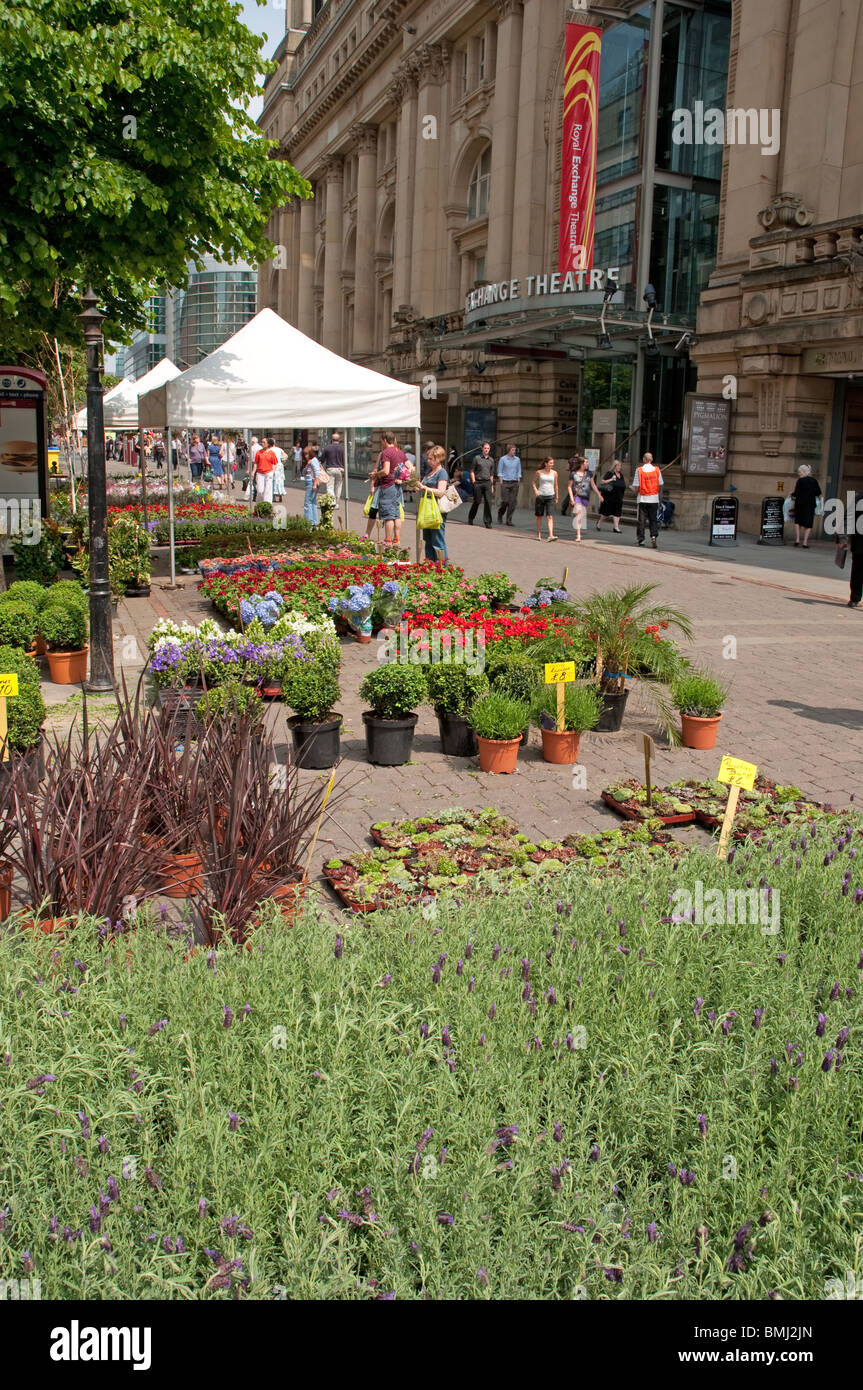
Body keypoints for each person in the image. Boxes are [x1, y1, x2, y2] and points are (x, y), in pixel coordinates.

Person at [420, 445, 449, 563]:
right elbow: (423, 485)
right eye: (428, 458)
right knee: (427, 538)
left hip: (436, 509)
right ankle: (430, 563)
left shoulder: (442, 473)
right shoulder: (430, 471)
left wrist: (425, 488)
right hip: (426, 508)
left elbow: (441, 492)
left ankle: (443, 566)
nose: (428, 461)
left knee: (437, 539)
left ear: (438, 459)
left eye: (431, 458)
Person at [835, 490, 863, 608]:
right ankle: (855, 598)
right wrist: (842, 538)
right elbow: (848, 518)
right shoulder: (859, 498)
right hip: (860, 542)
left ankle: (855, 598)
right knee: (857, 571)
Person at [632, 452, 664, 548]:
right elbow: (660, 483)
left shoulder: (639, 470)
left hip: (643, 498)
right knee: (653, 519)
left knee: (641, 520)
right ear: (651, 459)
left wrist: (635, 492)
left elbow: (637, 486)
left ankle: (641, 539)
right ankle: (653, 536)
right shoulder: (657, 470)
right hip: (654, 498)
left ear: (644, 460)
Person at [568, 458, 601, 542]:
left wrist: (599, 494)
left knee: (582, 515)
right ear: (582, 464)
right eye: (586, 462)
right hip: (577, 496)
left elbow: (593, 485)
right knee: (579, 513)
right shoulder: (573, 474)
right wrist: (572, 498)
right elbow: (569, 486)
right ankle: (578, 535)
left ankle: (578, 529)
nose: (588, 464)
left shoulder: (589, 474)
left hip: (586, 497)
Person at [790, 463, 822, 548]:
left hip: (800, 504)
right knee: (808, 523)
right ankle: (805, 542)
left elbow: (796, 493)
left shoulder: (800, 481)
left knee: (798, 522)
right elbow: (818, 492)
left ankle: (797, 540)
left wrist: (791, 494)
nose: (799, 473)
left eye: (800, 472)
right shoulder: (814, 481)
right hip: (810, 505)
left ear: (804, 472)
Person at [468, 441, 495, 528]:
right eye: (485, 448)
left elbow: (491, 474)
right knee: (477, 501)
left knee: (488, 502)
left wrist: (492, 485)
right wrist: (474, 482)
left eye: (488, 448)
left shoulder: (491, 460)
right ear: (482, 449)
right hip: (478, 482)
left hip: (487, 482)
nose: (486, 450)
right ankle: (471, 518)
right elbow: (472, 470)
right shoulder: (477, 458)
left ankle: (488, 522)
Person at [596, 459, 626, 534]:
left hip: (618, 497)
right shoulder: (610, 473)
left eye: (620, 466)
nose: (620, 467)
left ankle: (616, 527)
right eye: (618, 465)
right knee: (606, 513)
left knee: (617, 512)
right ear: (614, 466)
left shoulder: (621, 475)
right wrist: (611, 479)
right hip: (609, 497)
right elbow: (602, 481)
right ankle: (599, 523)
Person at [534, 457, 560, 542]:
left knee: (550, 516)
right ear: (546, 463)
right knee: (539, 516)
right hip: (541, 495)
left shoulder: (554, 473)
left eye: (553, 463)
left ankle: (551, 535)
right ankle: (538, 534)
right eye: (550, 463)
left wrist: (557, 496)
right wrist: (536, 490)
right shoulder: (539, 472)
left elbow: (556, 485)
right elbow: (533, 482)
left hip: (550, 495)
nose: (552, 465)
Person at [497, 444, 522, 525]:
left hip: (514, 483)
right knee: (505, 501)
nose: (514, 451)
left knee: (512, 502)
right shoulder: (503, 459)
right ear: (509, 450)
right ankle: (500, 514)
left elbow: (519, 470)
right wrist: (501, 481)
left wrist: (518, 479)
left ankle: (509, 520)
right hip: (505, 482)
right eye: (513, 450)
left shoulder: (517, 459)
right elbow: (500, 471)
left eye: (515, 450)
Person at [319, 432, 345, 505]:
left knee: (330, 487)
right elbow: (345, 459)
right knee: (338, 486)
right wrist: (344, 468)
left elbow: (322, 459)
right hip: (340, 469)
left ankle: (332, 502)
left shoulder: (327, 447)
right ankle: (336, 503)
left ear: (332, 439)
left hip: (330, 469)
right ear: (339, 439)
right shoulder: (342, 448)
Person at [301, 444, 323, 523]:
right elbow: (303, 473)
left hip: (312, 482)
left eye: (307, 454)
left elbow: (317, 473)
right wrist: (307, 465)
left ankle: (308, 521)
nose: (306, 456)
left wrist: (314, 484)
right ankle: (314, 521)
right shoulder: (310, 461)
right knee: (313, 502)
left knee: (307, 503)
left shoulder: (313, 460)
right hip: (311, 482)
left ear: (311, 453)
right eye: (304, 454)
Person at [254, 436, 277, 504]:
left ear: (268, 444)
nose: (262, 443)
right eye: (262, 442)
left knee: (268, 491)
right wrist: (253, 472)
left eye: (264, 442)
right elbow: (255, 463)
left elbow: (275, 463)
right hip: (260, 473)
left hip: (268, 473)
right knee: (260, 490)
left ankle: (267, 505)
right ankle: (259, 504)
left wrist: (272, 472)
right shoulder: (259, 452)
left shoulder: (272, 453)